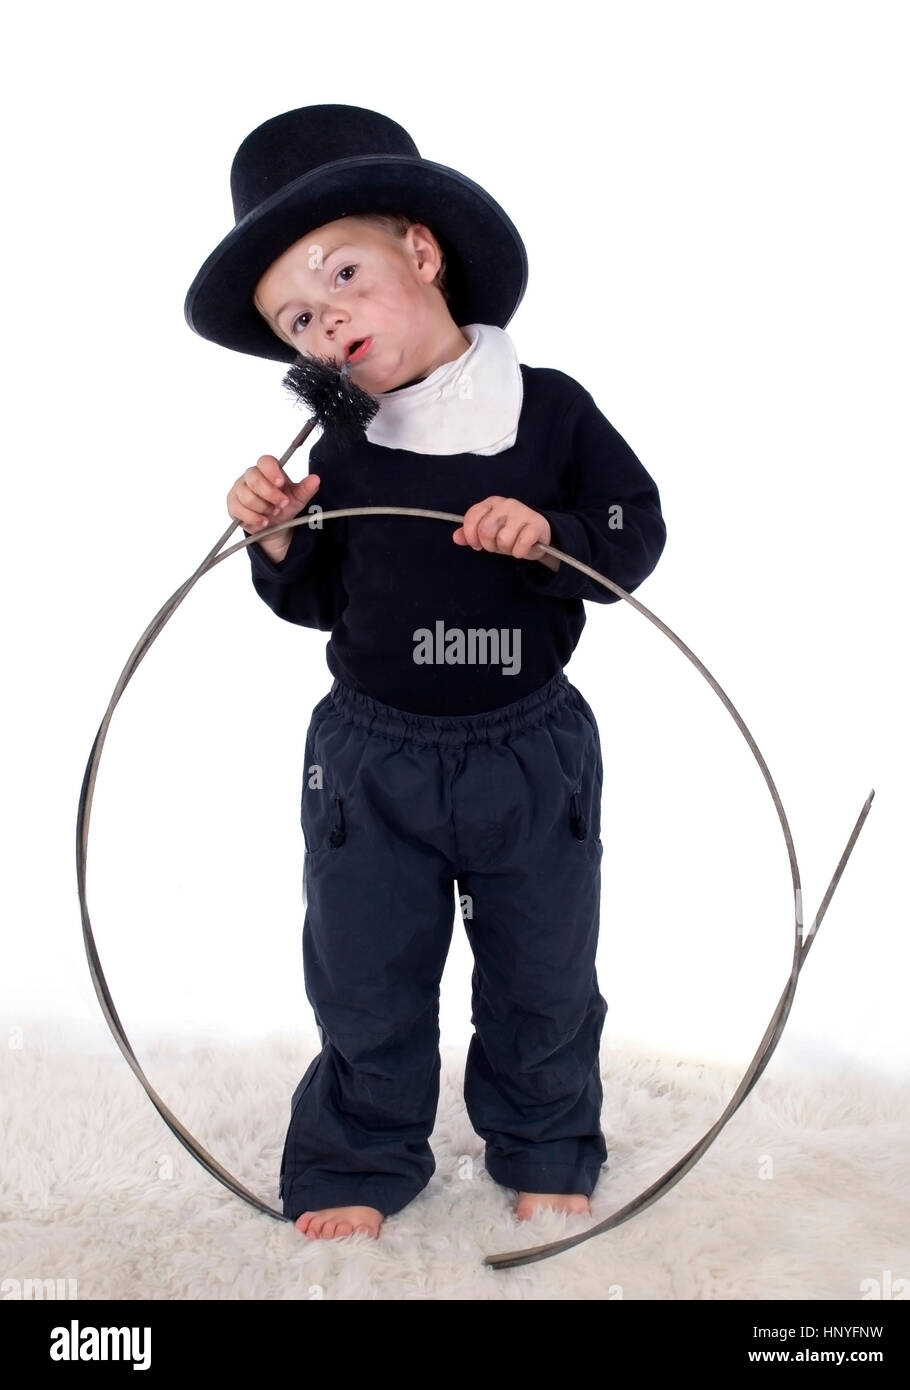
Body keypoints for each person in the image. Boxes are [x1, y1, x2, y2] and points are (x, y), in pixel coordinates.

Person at [184, 104, 667, 1243]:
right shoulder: (342, 446)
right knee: (363, 972)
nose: (327, 315)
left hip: (526, 747)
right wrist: (279, 543)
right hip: (372, 759)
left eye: (343, 272)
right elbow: (321, 603)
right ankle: (361, 1146)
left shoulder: (547, 407)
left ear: (423, 250)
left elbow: (629, 534)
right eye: (297, 316)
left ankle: (547, 1139)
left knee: (543, 968)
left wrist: (547, 531)